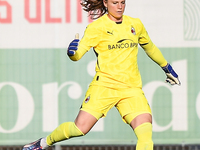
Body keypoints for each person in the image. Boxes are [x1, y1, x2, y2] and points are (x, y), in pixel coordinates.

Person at [22, 0, 180, 150]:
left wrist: (166, 67)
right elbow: (77, 54)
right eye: (115, 2)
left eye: (122, 2)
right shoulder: (96, 27)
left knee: (145, 134)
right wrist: (72, 52)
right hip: (104, 86)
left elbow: (150, 47)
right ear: (105, 3)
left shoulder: (135, 24)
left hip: (131, 89)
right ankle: (43, 143)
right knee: (79, 128)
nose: (119, 7)